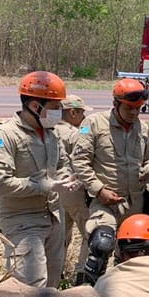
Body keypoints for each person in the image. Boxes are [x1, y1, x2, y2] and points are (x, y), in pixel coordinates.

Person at [0, 71, 80, 288]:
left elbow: (62, 165)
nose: (59, 113)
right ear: (36, 106)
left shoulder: (51, 134)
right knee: (29, 290)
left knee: (51, 287)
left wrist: (67, 180)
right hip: (22, 222)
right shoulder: (2, 136)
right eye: (54, 108)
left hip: (54, 218)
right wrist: (43, 185)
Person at [71, 78, 149, 284]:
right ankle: (88, 293)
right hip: (105, 202)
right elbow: (80, 161)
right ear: (116, 104)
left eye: (138, 109)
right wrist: (99, 190)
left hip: (135, 203)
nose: (134, 113)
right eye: (129, 108)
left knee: (133, 256)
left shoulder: (142, 128)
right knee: (101, 244)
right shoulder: (94, 124)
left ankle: (122, 296)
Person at [53, 95, 93, 284]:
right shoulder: (74, 134)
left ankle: (56, 272)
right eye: (82, 112)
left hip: (53, 190)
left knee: (61, 235)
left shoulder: (50, 130)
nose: (84, 116)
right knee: (90, 232)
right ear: (73, 112)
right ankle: (82, 273)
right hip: (73, 189)